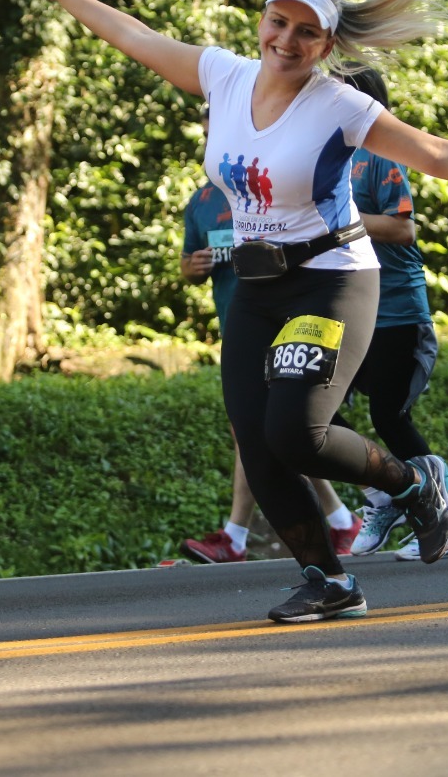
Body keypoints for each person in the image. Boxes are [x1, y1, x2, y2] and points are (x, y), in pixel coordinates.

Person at [15, 0, 448, 622]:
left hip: (330, 281)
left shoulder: (339, 106)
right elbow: (135, 34)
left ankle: (414, 485)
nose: (286, 39)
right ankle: (329, 580)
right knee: (256, 442)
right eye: (277, 22)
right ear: (261, 21)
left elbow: (434, 151)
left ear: (326, 43)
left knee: (296, 432)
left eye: (306, 31)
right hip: (258, 286)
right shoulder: (222, 76)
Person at [179, 107, 363, 564]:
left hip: (293, 316)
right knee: (274, 431)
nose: (211, 143)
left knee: (270, 428)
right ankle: (342, 520)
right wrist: (194, 266)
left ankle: (236, 536)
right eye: (206, 136)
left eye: (217, 133)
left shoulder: (274, 182)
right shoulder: (201, 201)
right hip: (240, 326)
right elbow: (187, 266)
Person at [327, 66, 448, 561]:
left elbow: (402, 230)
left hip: (395, 312)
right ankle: (382, 493)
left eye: (334, 87)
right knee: (311, 407)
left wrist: (342, 220)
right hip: (343, 312)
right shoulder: (326, 158)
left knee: (389, 414)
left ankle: (446, 520)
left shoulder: (380, 156)